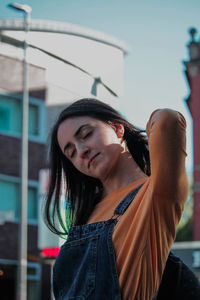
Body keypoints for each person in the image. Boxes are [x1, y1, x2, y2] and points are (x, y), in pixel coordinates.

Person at [45, 98, 189, 300]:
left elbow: (167, 120)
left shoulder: (157, 193)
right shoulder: (84, 217)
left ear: (118, 129)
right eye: (72, 153)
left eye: (86, 134)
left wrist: (140, 141)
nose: (82, 151)